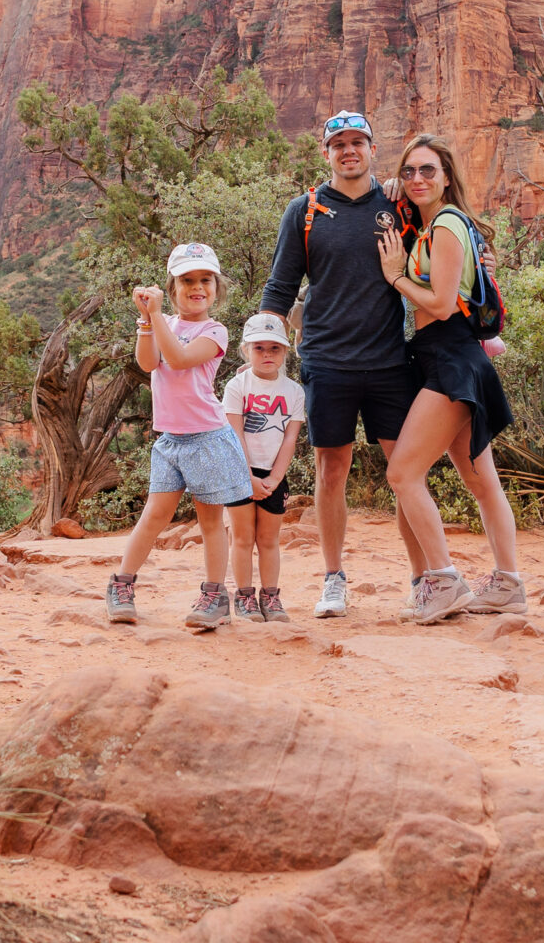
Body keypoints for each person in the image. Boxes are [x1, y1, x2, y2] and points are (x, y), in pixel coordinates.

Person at [258, 111, 419, 619]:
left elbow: (436, 263)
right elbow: (280, 288)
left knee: (406, 472)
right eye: (339, 144)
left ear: (373, 148)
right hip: (327, 361)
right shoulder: (304, 211)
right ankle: (333, 579)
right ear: (325, 153)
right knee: (332, 470)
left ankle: (424, 579)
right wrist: (264, 352)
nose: (349, 151)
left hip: (391, 359)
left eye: (358, 142)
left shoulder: (399, 205)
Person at [374, 133, 515, 623]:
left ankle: (443, 579)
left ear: (448, 176)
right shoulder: (436, 221)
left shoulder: (449, 225)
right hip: (448, 357)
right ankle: (508, 584)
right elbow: (401, 187)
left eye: (428, 171)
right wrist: (393, 184)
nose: (417, 179)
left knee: (403, 473)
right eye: (409, 170)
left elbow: (438, 302)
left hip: (450, 359)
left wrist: (395, 275)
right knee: (481, 483)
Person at [105, 244, 255, 631]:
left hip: (207, 437)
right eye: (187, 280)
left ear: (216, 287)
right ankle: (121, 585)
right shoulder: (163, 323)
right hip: (171, 440)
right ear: (173, 287)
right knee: (154, 516)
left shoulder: (215, 331)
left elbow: (179, 359)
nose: (197, 287)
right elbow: (148, 362)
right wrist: (146, 321)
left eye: (205, 280)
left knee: (209, 522)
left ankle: (214, 595)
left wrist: (155, 317)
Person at [221, 311, 307, 621]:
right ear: (246, 350)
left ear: (286, 350)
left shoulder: (294, 392)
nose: (267, 354)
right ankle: (244, 597)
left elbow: (289, 439)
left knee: (269, 539)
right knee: (242, 538)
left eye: (275, 348)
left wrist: (274, 478)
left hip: (273, 476)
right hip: (239, 471)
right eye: (259, 348)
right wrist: (248, 478)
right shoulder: (237, 386)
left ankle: (270, 597)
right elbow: (235, 434)